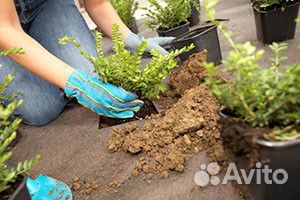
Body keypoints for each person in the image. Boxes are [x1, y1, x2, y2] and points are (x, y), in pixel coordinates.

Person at [0, 0, 174, 126]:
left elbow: (97, 3)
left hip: (45, 5)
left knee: (92, 75)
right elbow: (6, 28)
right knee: (42, 109)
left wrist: (128, 38)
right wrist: (77, 83)